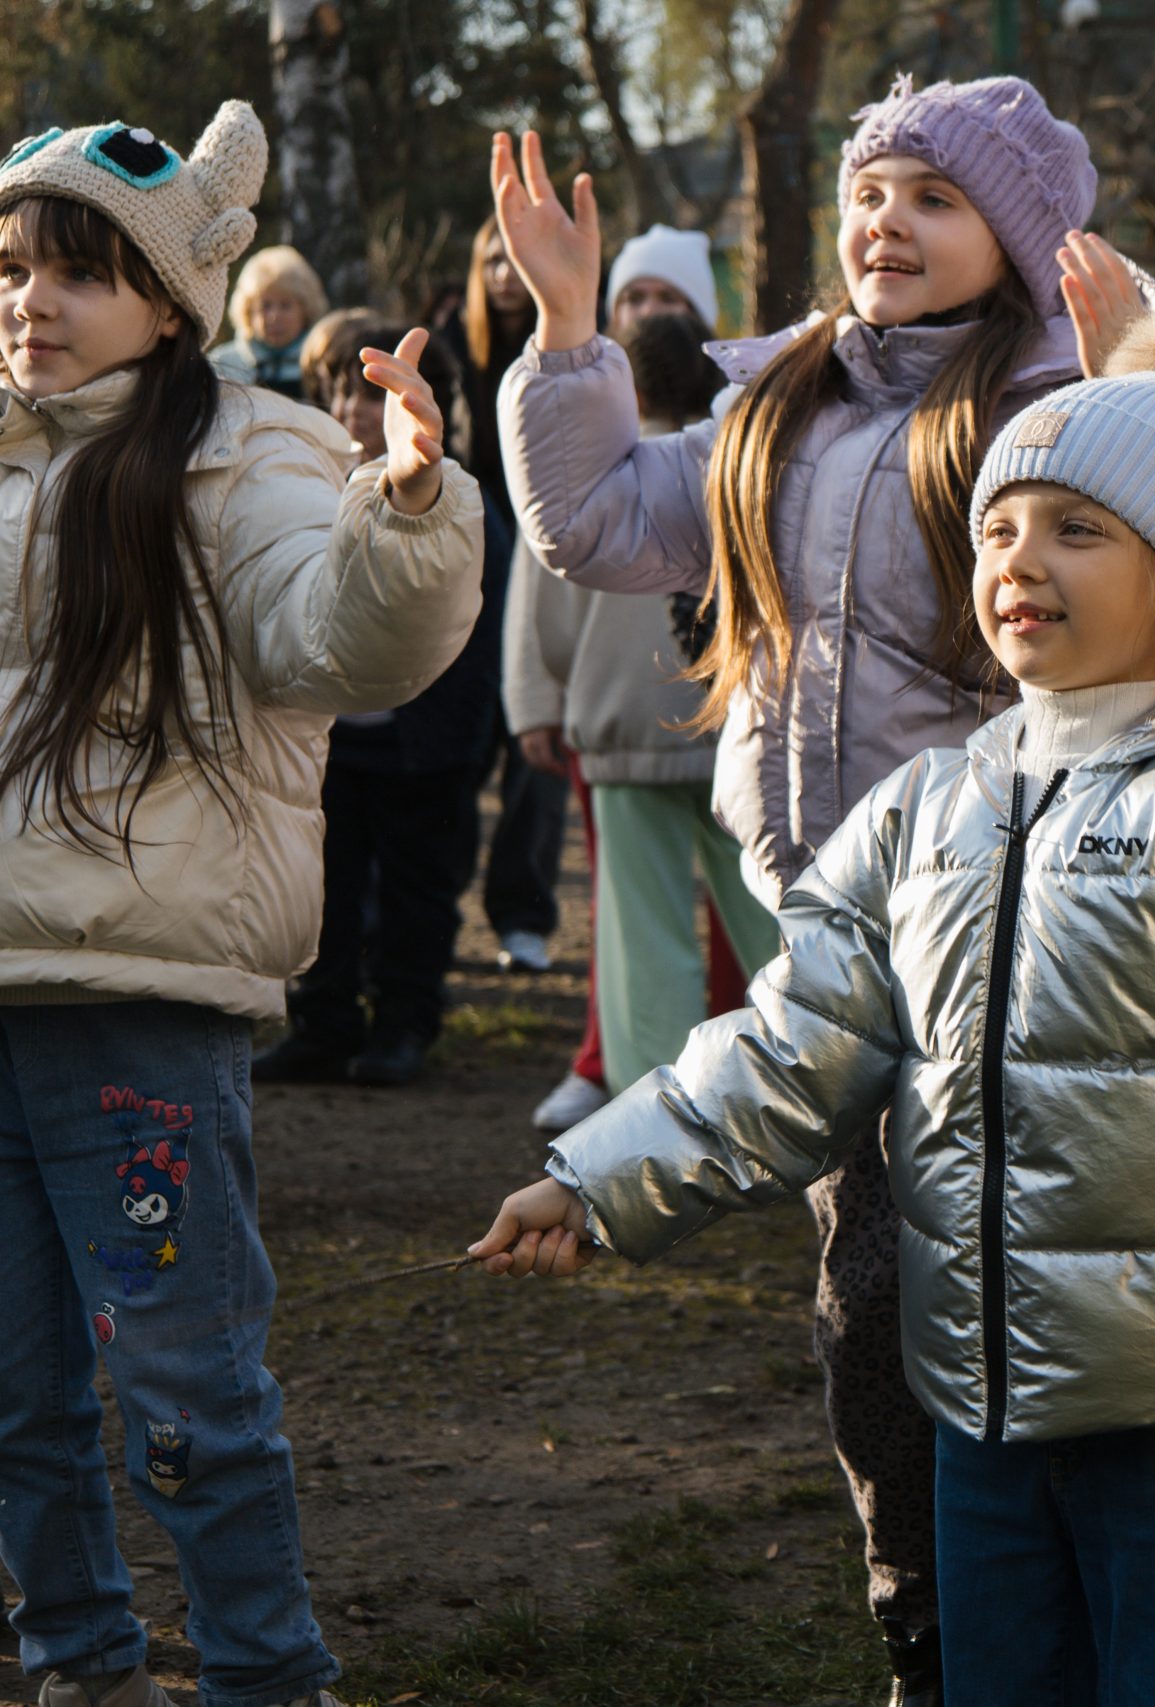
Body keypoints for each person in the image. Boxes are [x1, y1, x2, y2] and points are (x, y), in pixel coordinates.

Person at [471, 294, 1155, 1705]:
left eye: (1076, 528)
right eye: (999, 529)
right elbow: (788, 1040)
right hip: (977, 1407)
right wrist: (600, 1170)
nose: (1020, 559)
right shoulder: (929, 805)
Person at [489, 73, 1100, 1697]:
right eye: (873, 192)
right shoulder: (783, 403)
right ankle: (927, 1617)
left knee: (998, 1287)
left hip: (1009, 931)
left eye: (936, 199)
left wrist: (1137, 360)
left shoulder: (1052, 402)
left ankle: (1049, 1602)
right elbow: (603, 524)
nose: (888, 220)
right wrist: (567, 336)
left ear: (1021, 244)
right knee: (867, 1304)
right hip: (824, 932)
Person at [0, 104, 481, 1707]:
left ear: (170, 298)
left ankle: (270, 1678)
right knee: (13, 1390)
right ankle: (79, 1655)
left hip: (137, 1005)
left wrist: (406, 509)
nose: (33, 301)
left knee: (185, 1390)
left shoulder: (245, 457)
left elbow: (340, 637)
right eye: (12, 266)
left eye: (78, 268)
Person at [504, 307, 776, 1107]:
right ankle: (775, 1090)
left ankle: (648, 1104)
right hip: (729, 721)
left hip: (620, 721)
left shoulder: (591, 469)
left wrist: (539, 701)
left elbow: (541, 602)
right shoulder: (735, 460)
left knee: (638, 930)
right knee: (763, 916)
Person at [250, 316, 500, 1089]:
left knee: (416, 891)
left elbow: (473, 627)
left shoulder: (458, 503)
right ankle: (324, 1022)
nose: (354, 411)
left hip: (424, 742)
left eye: (369, 397)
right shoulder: (305, 489)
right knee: (325, 886)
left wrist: (470, 736)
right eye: (338, 392)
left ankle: (403, 1024)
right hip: (334, 737)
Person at [437, 212, 564, 974]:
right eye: (491, 262)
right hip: (463, 558)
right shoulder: (449, 341)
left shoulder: (569, 344)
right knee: (457, 747)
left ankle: (523, 915)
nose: (504, 277)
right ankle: (437, 910)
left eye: (515, 262)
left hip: (548, 559)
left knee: (533, 750)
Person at [207, 244, 325, 401]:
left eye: (285, 305)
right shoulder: (222, 366)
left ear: (306, 310)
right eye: (265, 306)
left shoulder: (322, 366)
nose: (274, 317)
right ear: (248, 312)